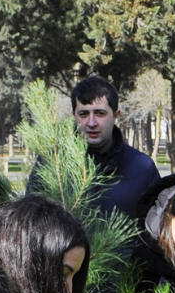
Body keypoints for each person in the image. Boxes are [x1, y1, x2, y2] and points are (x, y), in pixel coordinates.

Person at [26, 75, 161, 221]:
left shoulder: (142, 168)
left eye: (100, 113)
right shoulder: (53, 164)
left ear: (116, 115)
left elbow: (157, 230)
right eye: (83, 114)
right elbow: (31, 221)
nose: (91, 122)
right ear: (74, 116)